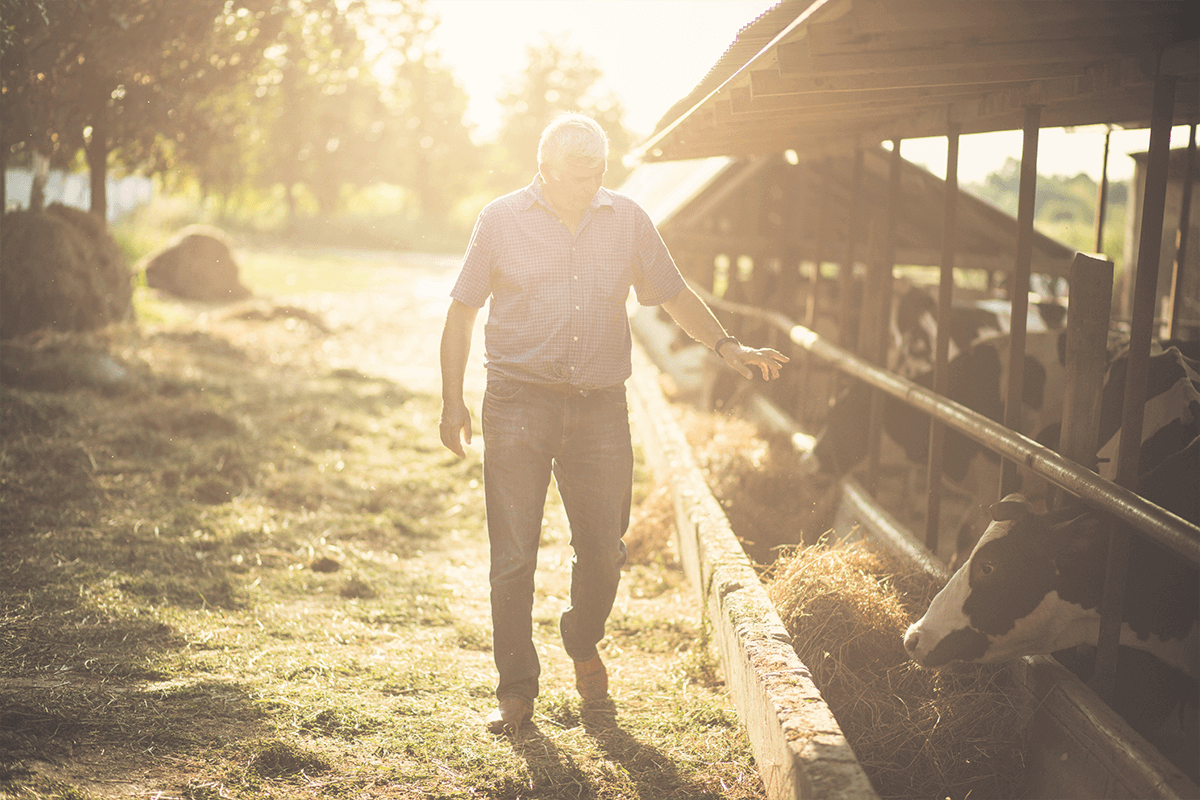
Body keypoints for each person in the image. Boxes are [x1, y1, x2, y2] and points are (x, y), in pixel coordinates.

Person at [439, 113, 788, 735]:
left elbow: (674, 293)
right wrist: (452, 401)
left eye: (599, 169)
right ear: (544, 167)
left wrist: (727, 346)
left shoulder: (627, 219)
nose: (592, 182)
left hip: (599, 407)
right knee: (513, 558)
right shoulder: (499, 220)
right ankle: (516, 692)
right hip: (517, 402)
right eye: (579, 173)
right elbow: (462, 312)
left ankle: (581, 638)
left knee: (604, 550)